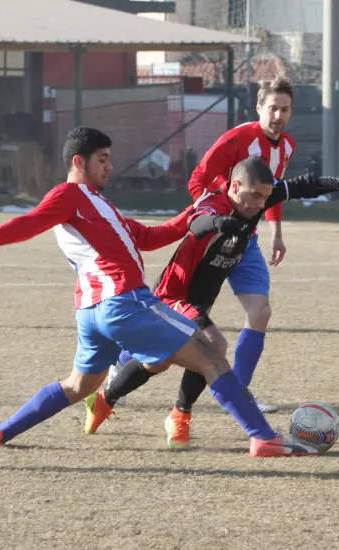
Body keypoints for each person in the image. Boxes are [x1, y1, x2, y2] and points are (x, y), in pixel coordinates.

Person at [0, 126, 316, 458]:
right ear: (78, 162)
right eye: (103, 159)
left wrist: (194, 214)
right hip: (122, 302)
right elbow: (30, 222)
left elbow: (147, 237)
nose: (110, 167)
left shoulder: (98, 205)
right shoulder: (69, 195)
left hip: (91, 312)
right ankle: (262, 436)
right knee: (211, 354)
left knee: (77, 386)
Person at [86, 157, 339, 449]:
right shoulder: (212, 204)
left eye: (265, 198)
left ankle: (108, 400)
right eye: (255, 196)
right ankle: (178, 414)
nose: (261, 204)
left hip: (200, 302)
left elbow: (304, 185)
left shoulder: (255, 203)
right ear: (234, 187)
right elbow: (197, 223)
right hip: (173, 297)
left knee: (159, 360)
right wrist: (222, 223)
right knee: (212, 345)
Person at [106, 76, 296, 413]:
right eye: (273, 108)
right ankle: (123, 361)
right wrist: (213, 216)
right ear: (259, 108)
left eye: (284, 109)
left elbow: (271, 192)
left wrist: (275, 232)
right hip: (216, 237)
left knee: (261, 312)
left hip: (246, 242)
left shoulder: (287, 146)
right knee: (185, 319)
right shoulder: (237, 138)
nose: (278, 115)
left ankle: (238, 393)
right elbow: (198, 179)